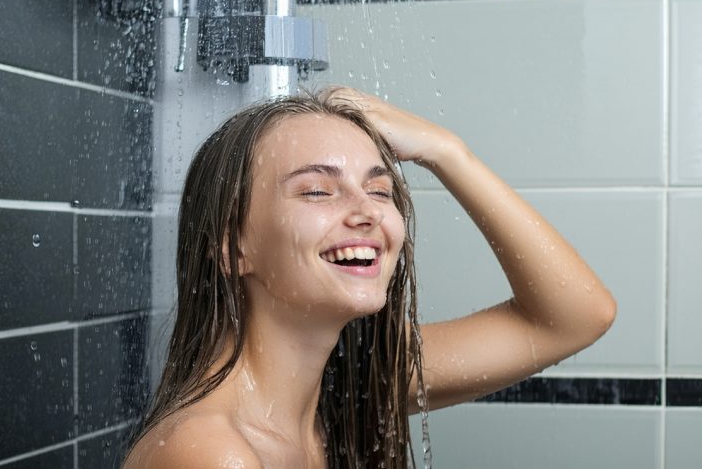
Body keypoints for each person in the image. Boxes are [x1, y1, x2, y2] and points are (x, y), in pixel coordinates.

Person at [122, 88, 617, 468]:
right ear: (233, 248)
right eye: (317, 191)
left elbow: (574, 317)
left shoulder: (350, 388)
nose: (367, 213)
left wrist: (446, 151)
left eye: (380, 191)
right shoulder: (210, 453)